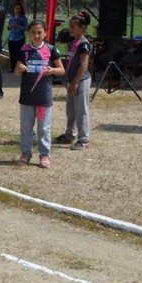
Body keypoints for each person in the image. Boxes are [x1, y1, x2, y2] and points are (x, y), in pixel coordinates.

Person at [15, 21, 65, 169]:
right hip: (27, 97)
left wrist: (52, 70)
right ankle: (26, 152)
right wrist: (19, 68)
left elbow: (61, 70)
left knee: (43, 128)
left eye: (39, 32)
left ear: (45, 33)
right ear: (29, 33)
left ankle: (44, 154)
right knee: (26, 127)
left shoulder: (51, 50)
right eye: (33, 33)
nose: (36, 36)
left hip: (43, 97)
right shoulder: (23, 50)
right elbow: (17, 74)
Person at [56, 12, 93, 150]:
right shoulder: (74, 41)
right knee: (70, 110)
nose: (70, 29)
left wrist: (76, 82)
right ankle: (69, 134)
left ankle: (84, 139)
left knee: (81, 110)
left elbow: (84, 65)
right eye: (70, 26)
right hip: (71, 80)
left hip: (80, 81)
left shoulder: (84, 44)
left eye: (73, 27)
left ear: (82, 28)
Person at [7, 3, 27, 72]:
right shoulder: (11, 17)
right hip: (11, 38)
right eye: (15, 8)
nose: (17, 10)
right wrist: (10, 26)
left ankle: (20, 68)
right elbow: (8, 27)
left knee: (19, 54)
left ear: (21, 9)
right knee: (12, 53)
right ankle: (12, 68)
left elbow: (26, 27)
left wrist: (18, 26)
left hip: (19, 38)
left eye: (19, 8)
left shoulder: (23, 18)